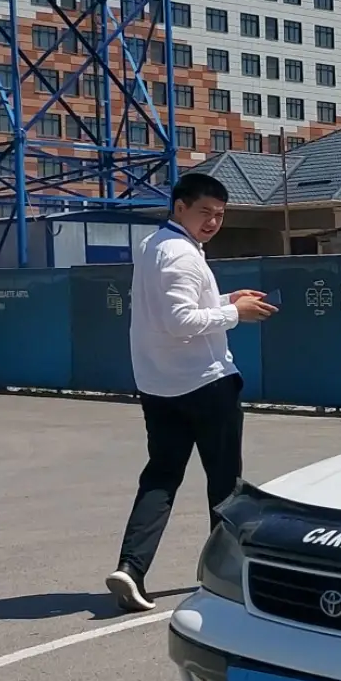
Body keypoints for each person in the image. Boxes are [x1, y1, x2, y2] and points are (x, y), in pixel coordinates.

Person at [105, 172, 277, 612]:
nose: (213, 222)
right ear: (179, 206)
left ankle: (131, 567)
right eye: (205, 212)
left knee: (161, 477)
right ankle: (226, 576)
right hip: (204, 382)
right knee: (225, 484)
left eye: (219, 215)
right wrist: (235, 313)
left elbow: (173, 309)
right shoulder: (181, 255)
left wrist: (224, 300)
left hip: (158, 386)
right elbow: (180, 322)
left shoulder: (153, 246)